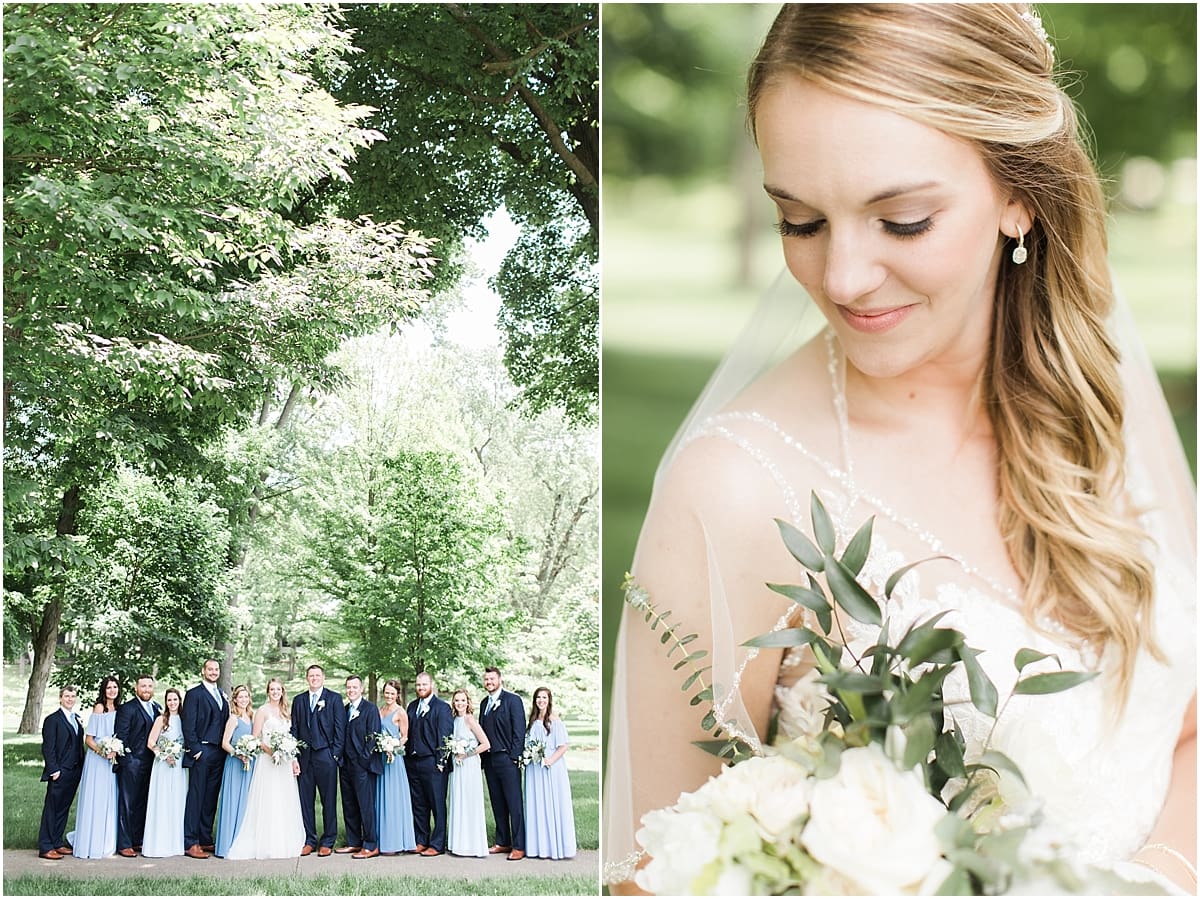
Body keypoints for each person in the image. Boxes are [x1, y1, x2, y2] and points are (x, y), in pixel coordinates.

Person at [603, 4, 1196, 893]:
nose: (840, 277)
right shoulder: (730, 492)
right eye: (799, 222)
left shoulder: (1092, 401)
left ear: (1019, 192)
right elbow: (648, 871)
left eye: (903, 220)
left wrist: (1155, 876)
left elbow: (1185, 722)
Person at [225, 678, 306, 859]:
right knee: (269, 799)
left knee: (284, 800)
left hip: (284, 762)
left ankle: (284, 840)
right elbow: (255, 737)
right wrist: (271, 751)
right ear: (268, 691)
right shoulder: (262, 711)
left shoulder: (286, 711)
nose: (275, 692)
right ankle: (267, 842)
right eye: (272, 689)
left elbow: (289, 739)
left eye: (278, 689)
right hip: (268, 761)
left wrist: (292, 758)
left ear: (282, 691)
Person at [290, 663, 344, 857]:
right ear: (307, 678)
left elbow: (340, 729)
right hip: (305, 757)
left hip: (325, 756)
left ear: (323, 678)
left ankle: (328, 840)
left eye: (317, 675)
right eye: (311, 676)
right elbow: (294, 729)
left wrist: (334, 755)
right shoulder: (299, 700)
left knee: (328, 800)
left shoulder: (334, 699)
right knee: (306, 800)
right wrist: (295, 755)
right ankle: (309, 839)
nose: (314, 678)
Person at [68, 676, 122, 859]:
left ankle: (107, 841)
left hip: (112, 760)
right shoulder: (100, 708)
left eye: (115, 687)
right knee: (97, 798)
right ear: (103, 690)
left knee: (109, 798)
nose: (112, 690)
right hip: (98, 760)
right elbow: (89, 739)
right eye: (109, 688)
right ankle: (91, 841)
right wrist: (103, 752)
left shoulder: (119, 709)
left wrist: (115, 750)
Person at [181, 658, 229, 859]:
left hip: (220, 752)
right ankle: (190, 841)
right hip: (203, 752)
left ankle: (205, 836)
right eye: (210, 669)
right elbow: (188, 724)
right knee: (197, 797)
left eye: (216, 669)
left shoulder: (221, 695)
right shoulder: (194, 694)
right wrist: (196, 750)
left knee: (211, 797)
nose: (213, 672)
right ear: (203, 671)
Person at [478, 666, 526, 860]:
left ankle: (519, 845)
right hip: (490, 760)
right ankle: (502, 841)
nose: (489, 682)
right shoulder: (484, 703)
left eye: (492, 679)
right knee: (497, 802)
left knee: (514, 803)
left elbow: (519, 730)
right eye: (486, 679)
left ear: (500, 680)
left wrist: (514, 756)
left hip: (507, 759)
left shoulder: (512, 700)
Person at [524, 687, 576, 860]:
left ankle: (555, 847)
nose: (541, 700)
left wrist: (550, 760)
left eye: (544, 697)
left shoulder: (555, 720)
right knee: (537, 804)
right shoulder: (532, 720)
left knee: (551, 803)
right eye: (538, 697)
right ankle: (539, 847)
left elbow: (564, 745)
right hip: (534, 769)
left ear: (549, 699)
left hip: (550, 768)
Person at [336, 674, 384, 859]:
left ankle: (371, 844)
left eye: (355, 687)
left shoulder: (370, 709)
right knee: (349, 804)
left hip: (363, 765)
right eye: (348, 687)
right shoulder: (345, 709)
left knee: (365, 805)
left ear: (361, 689)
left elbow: (373, 737)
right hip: (346, 765)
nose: (351, 690)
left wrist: (363, 762)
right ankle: (354, 842)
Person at [405, 671, 453, 856]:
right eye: (418, 685)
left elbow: (444, 735)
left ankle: (437, 843)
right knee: (418, 804)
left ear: (431, 685)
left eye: (424, 685)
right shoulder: (412, 706)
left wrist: (441, 761)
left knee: (437, 804)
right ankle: (421, 839)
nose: (420, 688)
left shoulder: (442, 708)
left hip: (433, 764)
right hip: (413, 762)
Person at [114, 673, 159, 857]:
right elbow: (121, 736)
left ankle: (137, 838)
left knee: (143, 802)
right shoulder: (127, 708)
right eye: (143, 686)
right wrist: (127, 761)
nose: (146, 690)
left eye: (149, 686)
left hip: (151, 763)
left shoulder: (156, 708)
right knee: (127, 804)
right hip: (131, 763)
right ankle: (124, 843)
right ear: (136, 688)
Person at [37, 685, 85, 860]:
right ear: (60, 698)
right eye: (67, 696)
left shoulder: (76, 718)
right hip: (60, 772)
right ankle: (45, 846)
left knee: (63, 809)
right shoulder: (53, 719)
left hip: (74, 772)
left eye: (73, 696)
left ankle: (57, 842)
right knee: (52, 809)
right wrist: (54, 770)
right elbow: (48, 748)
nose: (70, 699)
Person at [142, 687, 188, 858]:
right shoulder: (161, 719)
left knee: (177, 800)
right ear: (166, 702)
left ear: (179, 701)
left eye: (175, 699)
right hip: (163, 765)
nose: (172, 703)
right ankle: (158, 843)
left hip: (179, 765)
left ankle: (176, 844)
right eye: (169, 700)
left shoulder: (184, 719)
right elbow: (151, 742)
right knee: (162, 801)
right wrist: (164, 755)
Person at [446, 688, 491, 858]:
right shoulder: (453, 720)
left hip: (469, 765)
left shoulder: (470, 719)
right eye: (457, 700)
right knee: (458, 801)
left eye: (463, 700)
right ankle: (458, 844)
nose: (460, 704)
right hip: (456, 767)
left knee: (470, 802)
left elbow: (486, 744)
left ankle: (472, 845)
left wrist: (467, 754)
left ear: (468, 702)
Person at [375, 679, 416, 854]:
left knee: (393, 798)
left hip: (394, 759)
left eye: (392, 693)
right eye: (387, 692)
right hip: (381, 757)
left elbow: (405, 736)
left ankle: (396, 840)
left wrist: (394, 746)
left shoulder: (401, 712)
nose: (389, 696)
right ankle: (381, 839)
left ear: (397, 694)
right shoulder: (379, 710)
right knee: (381, 797)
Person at [213, 684, 255, 858]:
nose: (243, 699)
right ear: (235, 699)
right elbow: (224, 743)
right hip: (235, 764)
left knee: (245, 803)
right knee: (232, 802)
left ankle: (242, 841)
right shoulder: (233, 718)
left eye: (246, 696)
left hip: (248, 765)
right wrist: (239, 754)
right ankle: (227, 845)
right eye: (240, 697)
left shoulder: (251, 717)